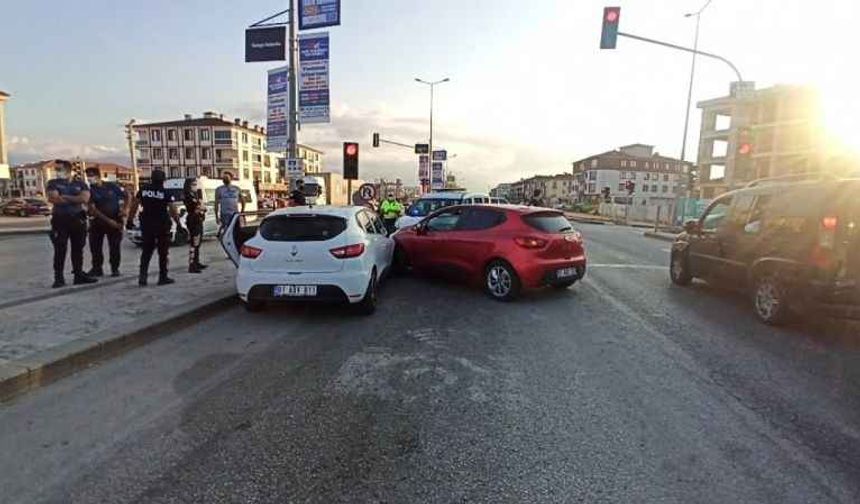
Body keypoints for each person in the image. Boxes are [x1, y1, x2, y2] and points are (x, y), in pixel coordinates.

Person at [126, 169, 181, 286]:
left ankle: (143, 276)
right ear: (163, 180)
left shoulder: (144, 190)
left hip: (147, 224)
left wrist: (129, 220)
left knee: (146, 251)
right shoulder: (165, 192)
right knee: (163, 252)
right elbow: (172, 209)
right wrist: (178, 223)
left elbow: (134, 205)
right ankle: (163, 277)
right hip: (162, 224)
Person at [46, 165, 98, 288]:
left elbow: (85, 199)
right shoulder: (53, 183)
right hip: (60, 219)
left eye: (60, 169)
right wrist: (76, 199)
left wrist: (64, 197)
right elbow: (54, 199)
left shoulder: (80, 184)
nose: (57, 172)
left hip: (77, 219)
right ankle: (58, 277)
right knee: (60, 249)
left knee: (78, 248)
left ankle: (78, 275)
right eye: (57, 169)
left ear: (69, 171)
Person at [87, 174, 127, 277]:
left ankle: (115, 269)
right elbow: (92, 209)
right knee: (95, 247)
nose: (89, 179)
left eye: (91, 176)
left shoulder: (112, 186)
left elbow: (127, 196)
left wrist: (125, 210)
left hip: (115, 219)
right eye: (88, 177)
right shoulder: (90, 190)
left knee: (114, 246)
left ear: (98, 176)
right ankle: (97, 269)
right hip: (98, 222)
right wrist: (109, 221)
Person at [183, 177, 208, 274]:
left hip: (198, 219)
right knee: (194, 243)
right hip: (193, 220)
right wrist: (201, 206)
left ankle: (196, 262)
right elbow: (197, 207)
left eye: (196, 184)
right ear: (188, 185)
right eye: (193, 184)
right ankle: (192, 265)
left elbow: (202, 207)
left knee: (198, 243)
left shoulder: (195, 194)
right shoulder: (188, 195)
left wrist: (201, 206)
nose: (195, 186)